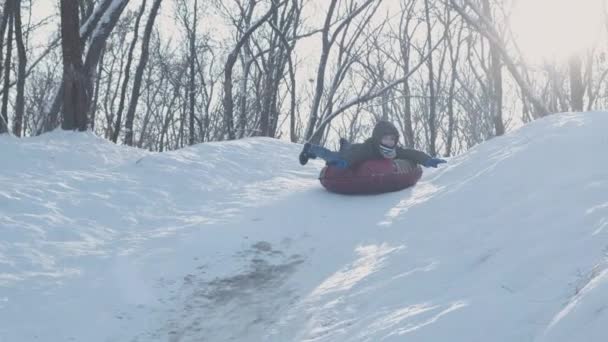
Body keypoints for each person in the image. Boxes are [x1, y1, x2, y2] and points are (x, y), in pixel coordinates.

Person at [299, 120, 446, 169]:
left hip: (354, 150)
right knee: (332, 155)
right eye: (386, 138)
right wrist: (345, 162)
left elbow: (411, 153)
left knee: (345, 149)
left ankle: (345, 144)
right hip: (353, 152)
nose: (390, 142)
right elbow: (356, 155)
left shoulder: (395, 151)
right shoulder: (369, 148)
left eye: (392, 139)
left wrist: (427, 160)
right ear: (378, 138)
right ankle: (310, 148)